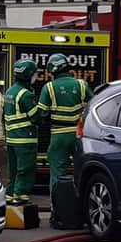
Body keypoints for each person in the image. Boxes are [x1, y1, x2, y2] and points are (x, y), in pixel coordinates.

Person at [38, 53, 93, 211]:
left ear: (52, 69)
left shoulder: (48, 87)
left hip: (58, 135)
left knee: (57, 172)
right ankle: (81, 209)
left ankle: (58, 210)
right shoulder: (82, 85)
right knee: (81, 171)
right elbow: (93, 104)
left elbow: (41, 114)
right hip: (79, 135)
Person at [4, 59, 41, 204]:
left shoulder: (10, 91)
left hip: (12, 138)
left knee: (13, 170)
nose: (35, 77)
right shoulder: (26, 95)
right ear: (27, 75)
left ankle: (10, 193)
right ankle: (20, 195)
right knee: (25, 169)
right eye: (34, 74)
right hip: (25, 138)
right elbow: (36, 117)